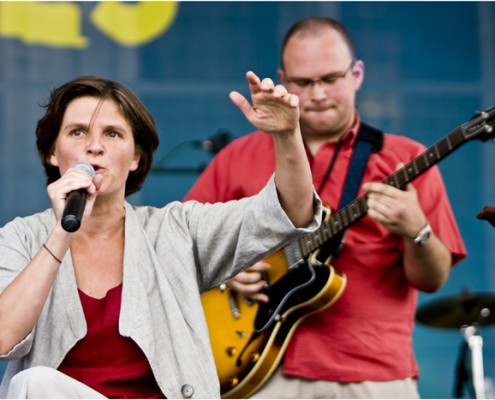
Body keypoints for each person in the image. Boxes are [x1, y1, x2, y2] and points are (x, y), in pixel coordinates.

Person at [184, 17, 467, 399]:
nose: (317, 94)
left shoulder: (406, 158)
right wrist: (225, 270)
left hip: (372, 373)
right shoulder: (237, 157)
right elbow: (181, 248)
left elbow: (431, 280)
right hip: (258, 366)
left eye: (330, 79)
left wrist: (416, 230)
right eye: (303, 82)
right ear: (283, 79)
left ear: (357, 74)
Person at [0, 72, 322, 399]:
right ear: (52, 153)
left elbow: (288, 212)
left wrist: (286, 135)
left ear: (136, 158)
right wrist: (60, 234)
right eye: (78, 132)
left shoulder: (175, 230)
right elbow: (3, 339)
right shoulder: (22, 237)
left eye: (112, 134)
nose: (94, 147)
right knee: (31, 383)